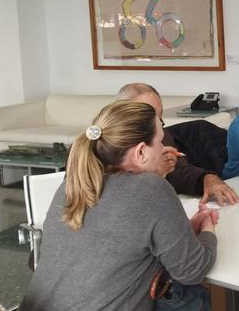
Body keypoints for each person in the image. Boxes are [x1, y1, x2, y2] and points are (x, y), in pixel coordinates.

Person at [20, 101, 218, 310]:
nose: (163, 148)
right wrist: (208, 229)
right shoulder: (152, 189)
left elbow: (116, 239)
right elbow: (193, 270)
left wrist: (183, 229)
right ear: (141, 151)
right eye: (160, 141)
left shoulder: (74, 183)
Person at [117, 83, 239, 206]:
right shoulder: (112, 149)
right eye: (150, 118)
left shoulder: (162, 135)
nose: (159, 124)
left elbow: (179, 169)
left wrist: (206, 178)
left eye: (160, 117)